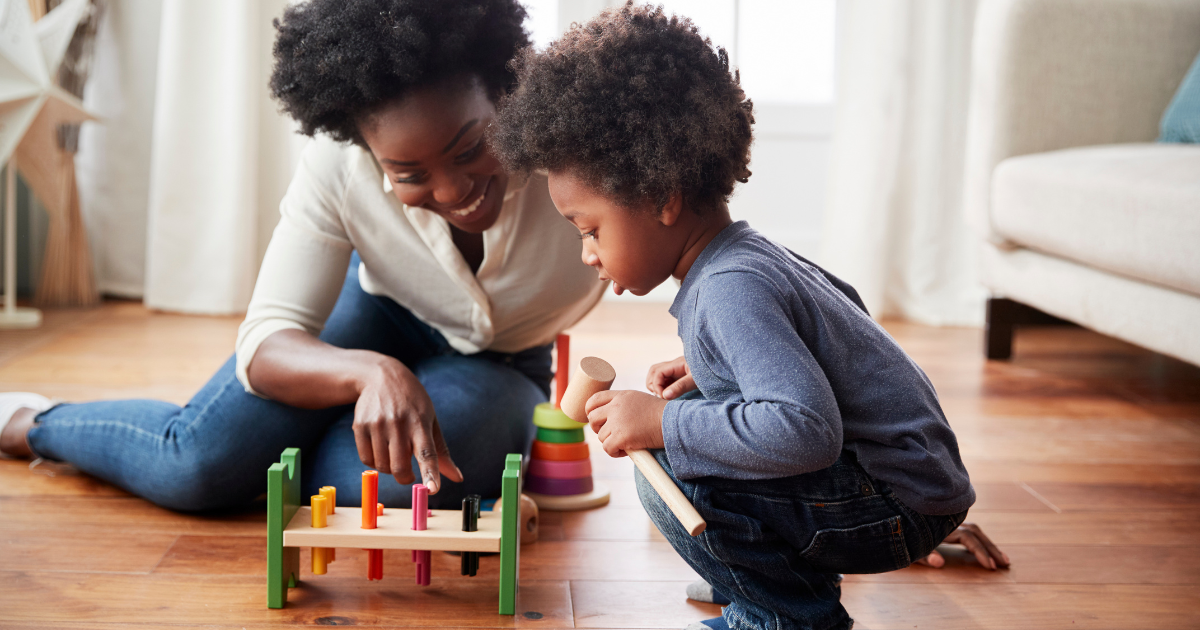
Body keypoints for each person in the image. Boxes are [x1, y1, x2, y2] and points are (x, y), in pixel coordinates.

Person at [490, 5, 1008, 630]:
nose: (587, 252)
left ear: (661, 197)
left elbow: (806, 430)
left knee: (673, 477)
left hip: (892, 501)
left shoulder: (731, 286)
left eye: (590, 228)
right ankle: (770, 579)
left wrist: (662, 420)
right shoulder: (748, 256)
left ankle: (787, 614)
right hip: (913, 484)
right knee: (694, 444)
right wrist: (717, 370)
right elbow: (844, 329)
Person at [0, 0, 604, 511]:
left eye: (471, 148)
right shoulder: (336, 166)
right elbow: (266, 342)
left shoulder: (581, 148)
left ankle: (264, 459)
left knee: (377, 489)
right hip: (379, 310)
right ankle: (33, 425)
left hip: (500, 361)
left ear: (505, 92)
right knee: (197, 466)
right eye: (408, 172)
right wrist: (371, 373)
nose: (451, 192)